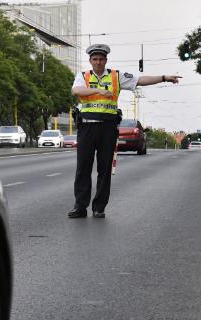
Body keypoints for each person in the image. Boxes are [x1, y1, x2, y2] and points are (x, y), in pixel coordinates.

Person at [68, 44, 181, 218]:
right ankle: (80, 206)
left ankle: (99, 208)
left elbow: (140, 80)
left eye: (101, 59)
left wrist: (164, 77)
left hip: (108, 128)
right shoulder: (83, 76)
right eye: (95, 59)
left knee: (104, 169)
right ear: (90, 61)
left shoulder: (116, 76)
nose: (98, 62)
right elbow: (76, 91)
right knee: (83, 168)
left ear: (106, 60)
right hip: (87, 126)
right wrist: (98, 90)